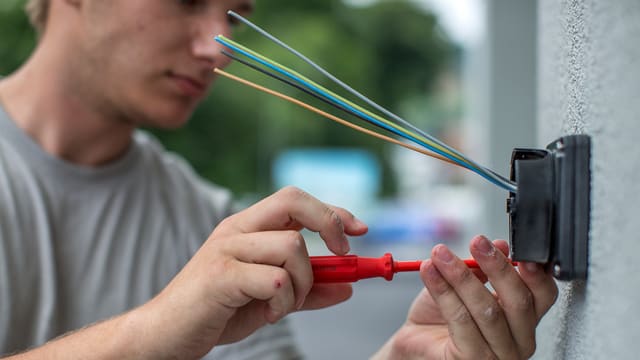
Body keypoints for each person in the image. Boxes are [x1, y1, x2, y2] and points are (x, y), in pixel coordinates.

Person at [0, 0, 558, 358]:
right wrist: (158, 328)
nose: (216, 49)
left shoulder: (206, 218)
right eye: (187, 1)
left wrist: (403, 357)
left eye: (235, 15)